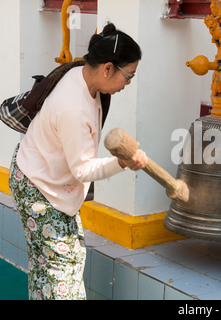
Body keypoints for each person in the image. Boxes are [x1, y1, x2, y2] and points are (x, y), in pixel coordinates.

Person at [8, 23, 147, 300]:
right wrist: (123, 162)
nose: (128, 84)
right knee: (62, 272)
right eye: (128, 76)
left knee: (50, 267)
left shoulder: (81, 73)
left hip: (41, 177)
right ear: (108, 68)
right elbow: (83, 170)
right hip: (40, 189)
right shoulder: (74, 108)